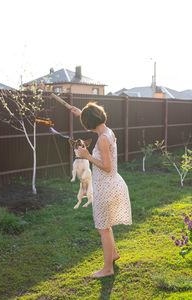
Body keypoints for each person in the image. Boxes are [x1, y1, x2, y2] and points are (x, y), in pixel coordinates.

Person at [71, 103, 132, 278]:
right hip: (108, 185)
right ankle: (112, 254)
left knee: (103, 227)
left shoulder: (103, 139)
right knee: (103, 224)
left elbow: (106, 166)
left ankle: (108, 269)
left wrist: (87, 156)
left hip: (106, 187)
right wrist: (80, 113)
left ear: (89, 124)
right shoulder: (107, 131)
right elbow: (91, 118)